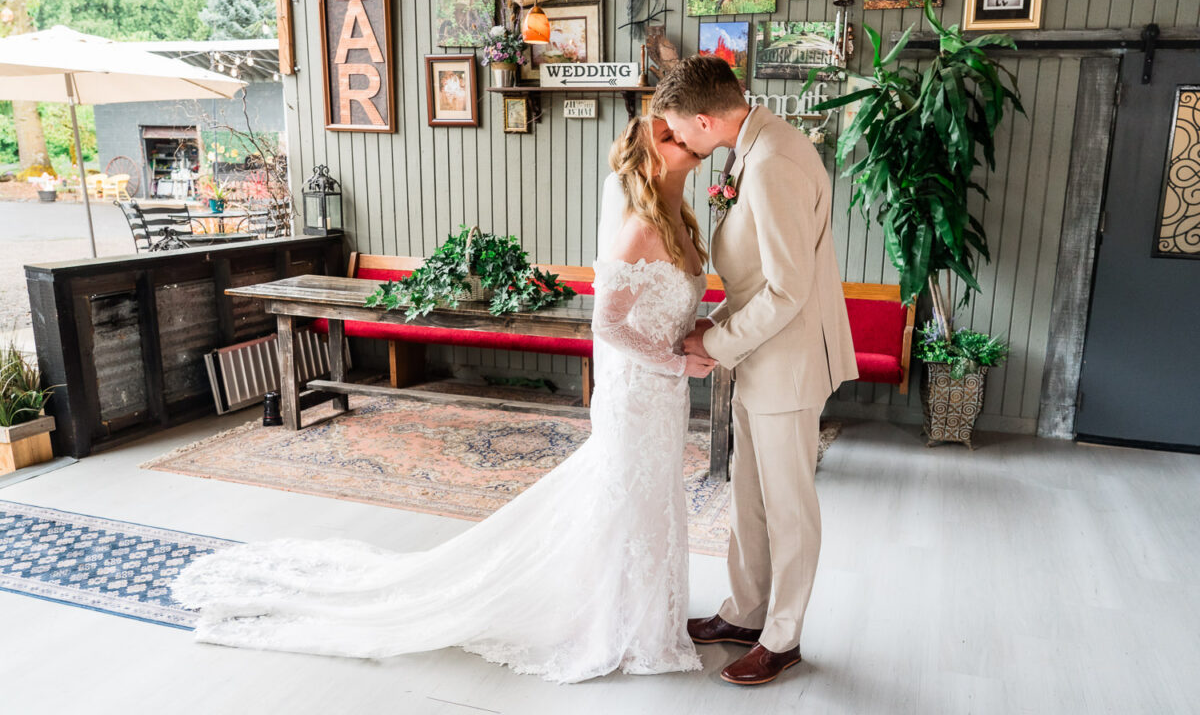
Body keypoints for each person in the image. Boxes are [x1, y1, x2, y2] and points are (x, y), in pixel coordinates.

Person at [171, 117, 717, 684]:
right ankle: (620, 622)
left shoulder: (680, 221)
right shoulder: (639, 229)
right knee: (632, 496)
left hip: (664, 394)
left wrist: (696, 333)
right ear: (649, 162)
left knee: (651, 498)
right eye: (669, 138)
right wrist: (678, 361)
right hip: (639, 395)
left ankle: (645, 614)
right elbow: (608, 325)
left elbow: (664, 312)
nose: (684, 142)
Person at [652, 55, 858, 686]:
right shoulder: (753, 147)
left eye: (675, 128)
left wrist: (717, 343)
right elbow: (756, 281)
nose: (673, 139)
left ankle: (782, 637)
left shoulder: (772, 163)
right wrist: (714, 326)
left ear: (705, 121)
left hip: (787, 364)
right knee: (748, 493)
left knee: (788, 505)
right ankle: (745, 613)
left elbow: (788, 289)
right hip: (759, 356)